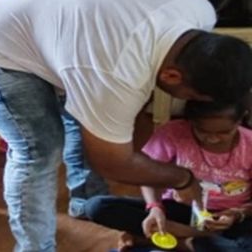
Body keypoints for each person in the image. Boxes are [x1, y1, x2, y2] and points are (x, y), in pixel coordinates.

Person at [0, 0, 252, 252]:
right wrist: (183, 179)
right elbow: (112, 162)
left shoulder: (199, 11)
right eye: (194, 98)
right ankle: (35, 247)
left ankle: (84, 204)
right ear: (172, 76)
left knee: (87, 120)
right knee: (39, 150)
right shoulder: (117, 72)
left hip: (53, 36)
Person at [85, 100, 252, 252]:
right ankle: (199, 239)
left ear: (240, 120)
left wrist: (237, 214)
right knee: (98, 207)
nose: (213, 138)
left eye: (224, 132)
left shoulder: (249, 144)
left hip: (232, 218)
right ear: (191, 122)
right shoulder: (173, 133)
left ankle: (179, 241)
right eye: (202, 131)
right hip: (179, 210)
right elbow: (148, 174)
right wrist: (155, 207)